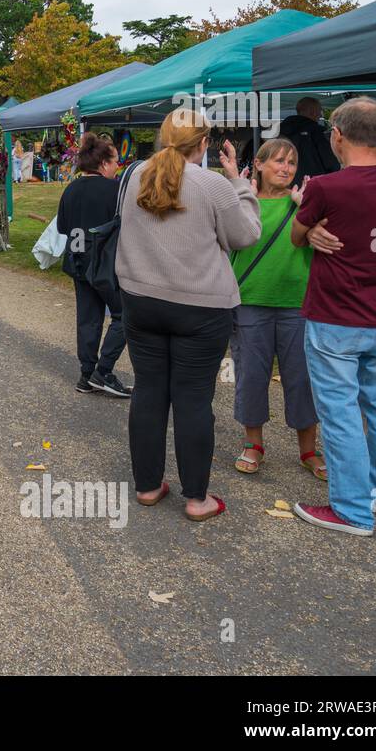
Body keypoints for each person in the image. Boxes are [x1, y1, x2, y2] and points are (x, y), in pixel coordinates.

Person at [116, 109, 260, 521]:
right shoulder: (212, 184)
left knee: (148, 390)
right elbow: (245, 235)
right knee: (193, 399)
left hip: (141, 298)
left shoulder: (134, 176)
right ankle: (196, 497)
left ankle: (147, 485)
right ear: (203, 144)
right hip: (200, 305)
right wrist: (242, 187)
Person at [290, 97, 376, 537]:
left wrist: (313, 226)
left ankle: (352, 509)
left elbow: (297, 236)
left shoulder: (326, 187)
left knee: (340, 412)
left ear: (337, 135)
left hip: (337, 315)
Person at [228, 139, 322, 480]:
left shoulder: (306, 202)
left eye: (292, 163)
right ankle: (254, 444)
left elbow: (324, 243)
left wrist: (305, 209)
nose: (285, 168)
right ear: (259, 164)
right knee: (252, 375)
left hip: (297, 303)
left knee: (301, 378)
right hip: (250, 301)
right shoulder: (243, 202)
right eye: (279, 161)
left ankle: (309, 450)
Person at [56, 133, 131, 397]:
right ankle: (104, 370)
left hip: (77, 261)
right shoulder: (114, 190)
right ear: (102, 164)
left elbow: (62, 226)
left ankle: (87, 374)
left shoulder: (71, 188)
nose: (117, 168)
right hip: (103, 262)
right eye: (114, 163)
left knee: (88, 319)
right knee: (125, 315)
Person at [279, 97, 340, 186]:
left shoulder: (280, 132)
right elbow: (331, 163)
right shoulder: (318, 132)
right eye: (320, 111)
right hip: (315, 185)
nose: (320, 115)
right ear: (313, 111)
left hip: (286, 185)